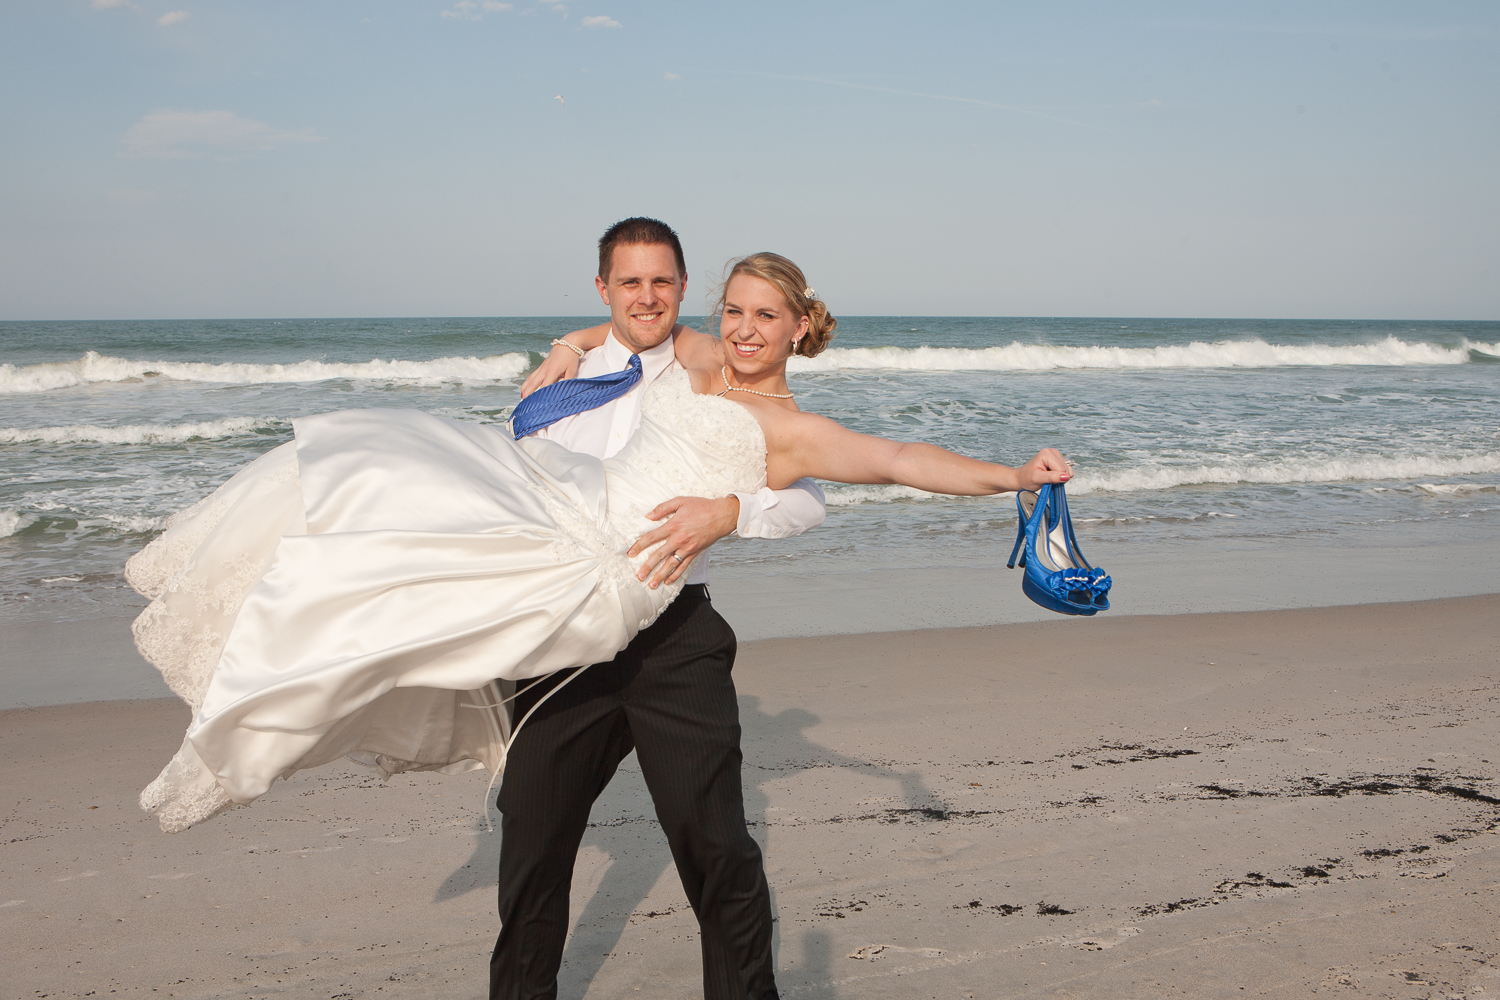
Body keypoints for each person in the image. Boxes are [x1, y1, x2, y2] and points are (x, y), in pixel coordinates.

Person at [125, 238, 1070, 1000]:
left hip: (659, 627)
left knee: (714, 844)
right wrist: (569, 350)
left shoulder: (793, 432)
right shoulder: (692, 359)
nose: (742, 328)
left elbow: (903, 458)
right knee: (532, 833)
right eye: (733, 309)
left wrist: (1012, 479)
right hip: (568, 561)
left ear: (796, 329)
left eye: (764, 316)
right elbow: (627, 316)